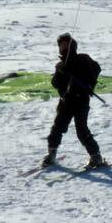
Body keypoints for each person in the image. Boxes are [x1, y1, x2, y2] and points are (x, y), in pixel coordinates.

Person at [42, 33, 106, 169]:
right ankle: (51, 154)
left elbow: (95, 70)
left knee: (81, 130)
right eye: (61, 45)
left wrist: (89, 84)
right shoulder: (60, 65)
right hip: (66, 101)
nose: (63, 47)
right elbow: (55, 83)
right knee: (57, 127)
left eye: (66, 44)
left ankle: (96, 157)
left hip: (81, 100)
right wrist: (60, 73)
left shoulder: (82, 59)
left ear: (72, 45)